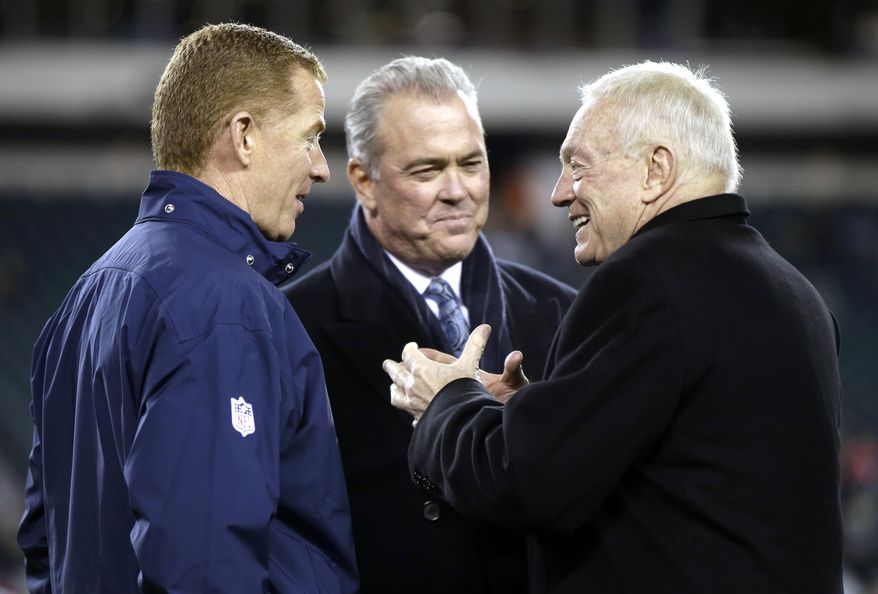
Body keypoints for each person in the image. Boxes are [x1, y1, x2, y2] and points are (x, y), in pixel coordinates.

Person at [386, 61, 844, 594]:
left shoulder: (646, 280)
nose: (559, 193)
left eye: (577, 166)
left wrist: (447, 403)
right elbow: (688, 467)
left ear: (657, 170)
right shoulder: (793, 291)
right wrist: (536, 413)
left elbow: (527, 484)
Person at [18, 23, 358, 593]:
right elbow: (205, 565)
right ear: (244, 136)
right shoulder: (223, 303)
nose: (322, 167)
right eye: (310, 137)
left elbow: (44, 543)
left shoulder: (85, 296)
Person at [284, 56, 576, 594]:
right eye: (426, 170)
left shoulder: (561, 314)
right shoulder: (290, 324)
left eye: (471, 163)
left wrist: (534, 426)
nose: (457, 190)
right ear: (364, 182)